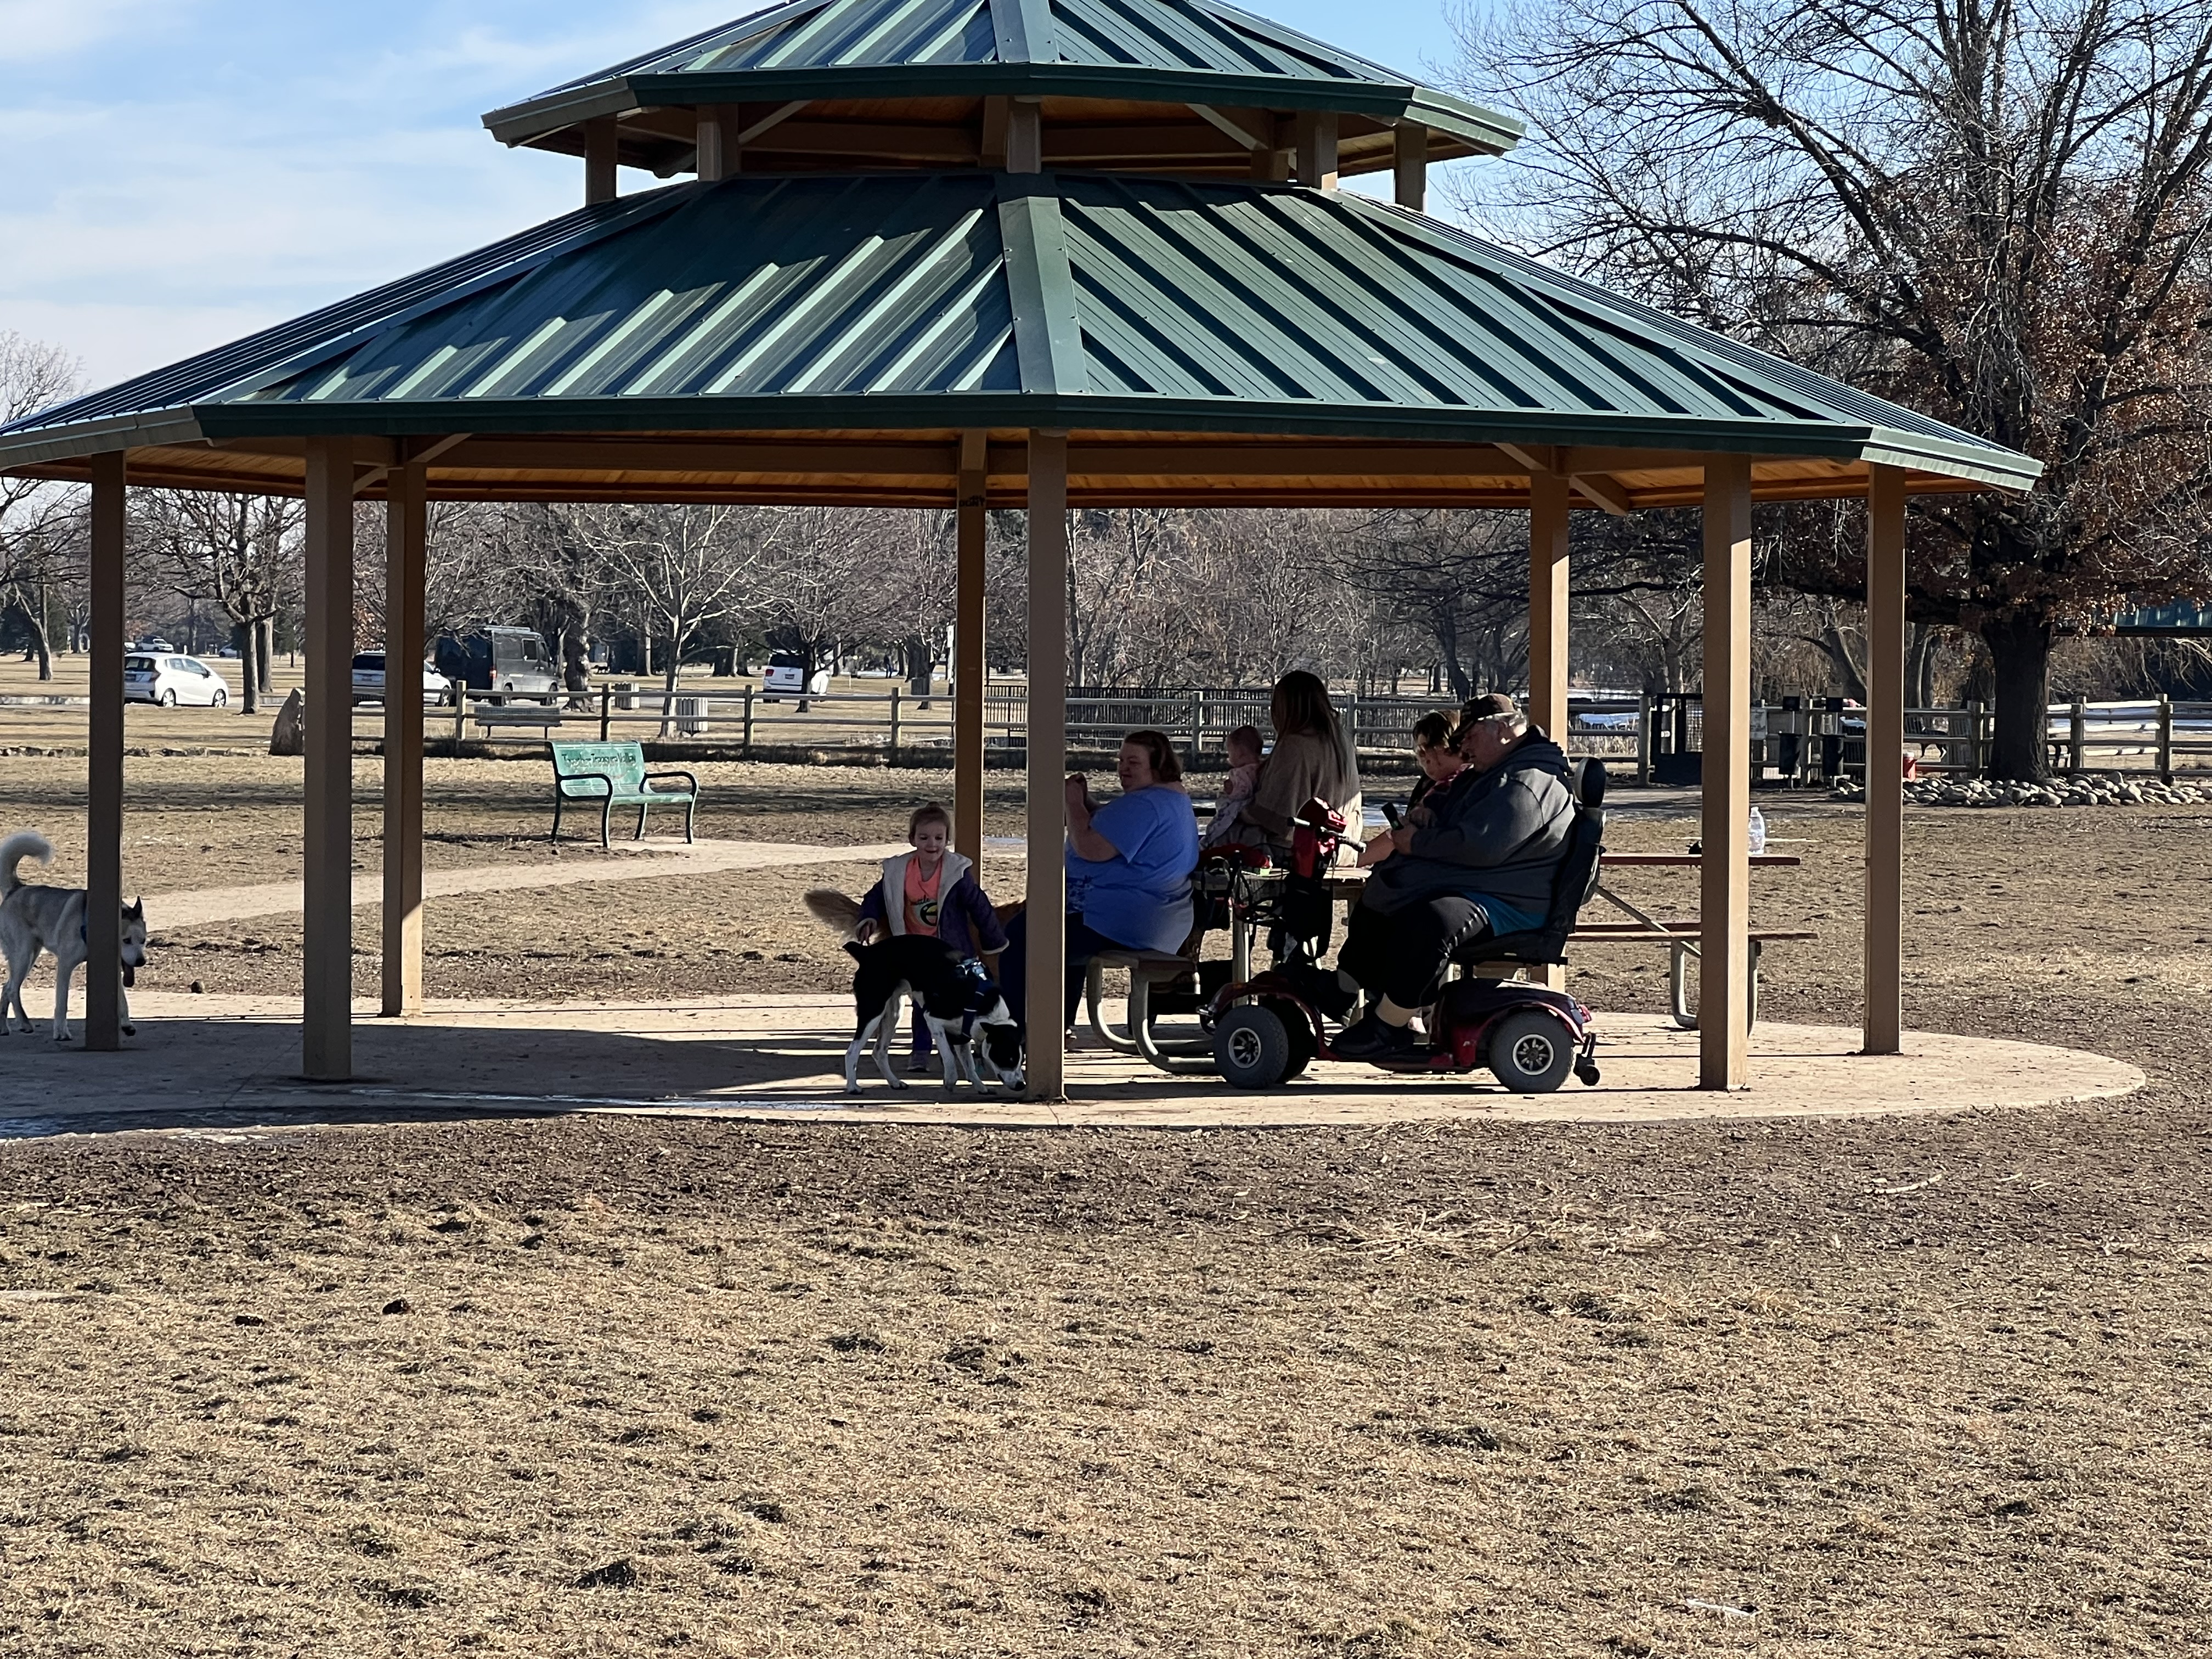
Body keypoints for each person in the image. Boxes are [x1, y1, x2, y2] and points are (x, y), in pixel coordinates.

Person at [1330, 694, 1576, 1060]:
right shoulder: (1499, 771)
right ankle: (1340, 991)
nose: (1464, 747)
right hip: (1486, 884)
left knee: (1431, 921)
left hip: (1510, 900)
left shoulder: (1527, 782)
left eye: (1471, 737)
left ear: (1502, 731)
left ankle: (1389, 1025)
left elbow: (1483, 846)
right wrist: (1432, 817)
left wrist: (1418, 843)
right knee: (1391, 890)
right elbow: (1460, 816)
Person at [998, 730, 1200, 1040]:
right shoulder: (1166, 798)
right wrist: (1087, 804)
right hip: (1139, 916)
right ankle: (1053, 1029)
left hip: (1126, 920)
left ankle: (1017, 1035)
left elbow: (1091, 848)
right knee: (1062, 936)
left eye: (1134, 761)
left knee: (1023, 934)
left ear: (1158, 765)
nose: (1123, 768)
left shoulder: (1148, 805)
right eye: (1121, 760)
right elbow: (1112, 825)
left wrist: (1072, 804)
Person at [855, 803, 1008, 1071]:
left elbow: (979, 906)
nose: (932, 844)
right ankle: (921, 1051)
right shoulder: (899, 872)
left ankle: (976, 1051)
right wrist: (868, 917)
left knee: (967, 1002)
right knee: (923, 1002)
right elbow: (876, 897)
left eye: (939, 838)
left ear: (947, 841)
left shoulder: (956, 874)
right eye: (924, 838)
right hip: (916, 949)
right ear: (912, 839)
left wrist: (994, 940)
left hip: (950, 951)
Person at [1244, 670, 1362, 864]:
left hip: (1303, 853)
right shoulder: (1342, 740)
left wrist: (1238, 810)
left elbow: (1277, 815)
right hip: (1343, 850)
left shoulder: (1296, 745)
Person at [1357, 710, 1463, 868]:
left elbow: (1401, 837)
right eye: (1420, 751)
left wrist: (1357, 858)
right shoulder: (1434, 783)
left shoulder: (1447, 787)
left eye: (1428, 749)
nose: (1424, 759)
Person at [1199, 724, 1268, 851]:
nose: (1229, 758)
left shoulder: (1241, 773)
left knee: (1220, 823)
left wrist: (1231, 790)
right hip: (1252, 807)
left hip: (1239, 808)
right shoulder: (1262, 768)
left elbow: (1243, 792)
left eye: (1230, 753)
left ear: (1240, 753)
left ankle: (1209, 841)